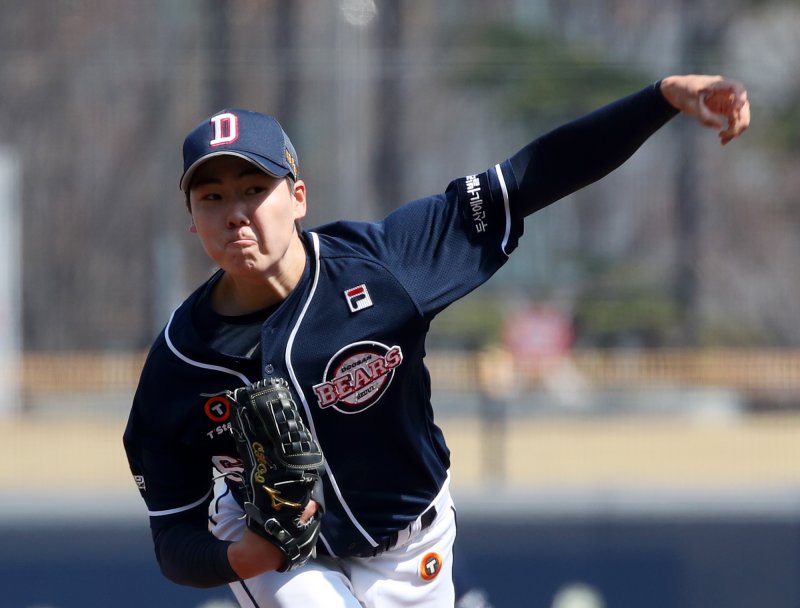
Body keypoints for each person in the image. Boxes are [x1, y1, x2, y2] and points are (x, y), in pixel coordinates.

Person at [123, 74, 749, 607]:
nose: (236, 212)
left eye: (255, 189)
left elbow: (529, 179)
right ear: (192, 218)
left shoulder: (387, 266)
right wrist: (244, 554)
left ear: (298, 196)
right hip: (283, 552)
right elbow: (175, 542)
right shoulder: (178, 366)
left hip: (412, 543)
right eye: (212, 197)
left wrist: (661, 98)